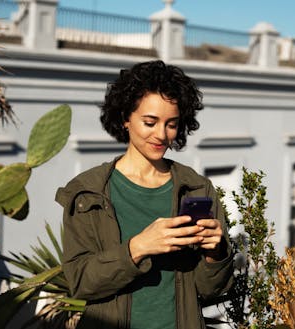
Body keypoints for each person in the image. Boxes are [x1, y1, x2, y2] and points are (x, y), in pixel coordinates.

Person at [55, 60, 233, 329]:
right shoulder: (87, 193)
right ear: (126, 118)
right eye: (150, 122)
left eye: (171, 124)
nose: (161, 135)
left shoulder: (196, 188)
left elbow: (210, 290)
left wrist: (215, 252)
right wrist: (138, 248)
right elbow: (80, 283)